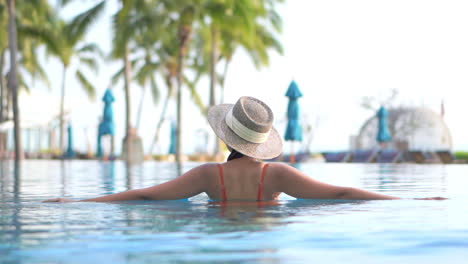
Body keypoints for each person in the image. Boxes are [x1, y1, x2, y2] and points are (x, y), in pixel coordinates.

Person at [44, 96, 445, 203]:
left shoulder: (207, 176)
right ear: (262, 141)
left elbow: (145, 195)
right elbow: (340, 193)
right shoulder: (278, 176)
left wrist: (84, 200)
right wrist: (407, 197)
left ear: (226, 137)